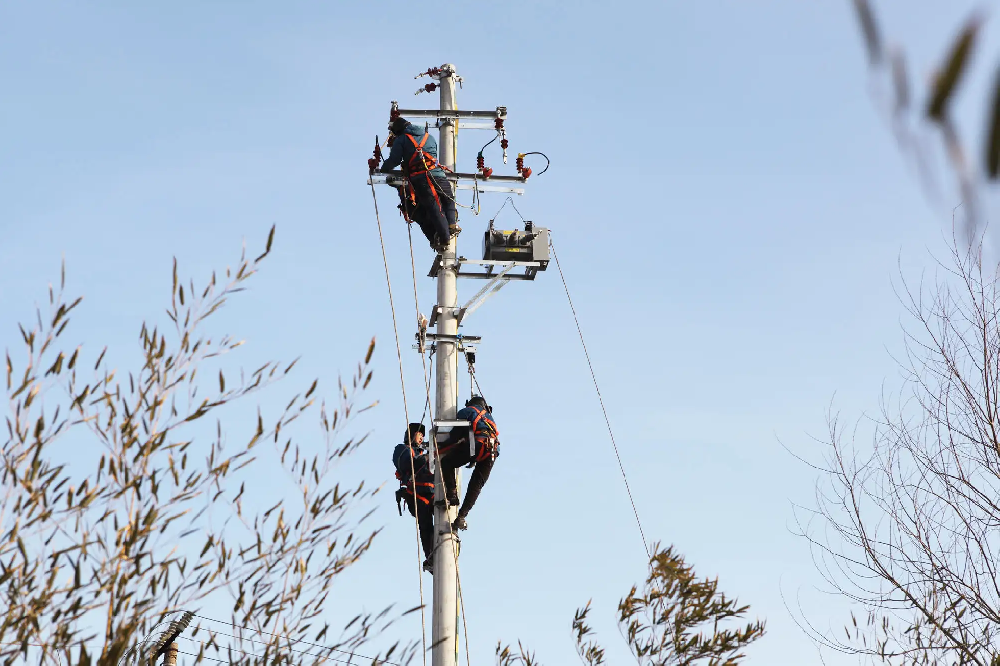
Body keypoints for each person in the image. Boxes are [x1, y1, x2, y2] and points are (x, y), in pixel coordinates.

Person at [380, 117, 460, 251]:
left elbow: (394, 160)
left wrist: (384, 170)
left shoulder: (402, 139)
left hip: (421, 177)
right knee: (448, 199)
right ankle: (452, 224)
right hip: (438, 174)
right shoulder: (429, 137)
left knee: (434, 206)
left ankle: (444, 238)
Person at [437, 396, 499, 531]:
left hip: (478, 445)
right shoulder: (490, 418)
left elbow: (455, 436)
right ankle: (461, 516)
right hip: (493, 451)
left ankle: (452, 495)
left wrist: (440, 446)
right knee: (476, 485)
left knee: (446, 462)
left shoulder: (467, 411)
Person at [393, 423, 436, 573]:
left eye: (423, 435)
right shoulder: (402, 449)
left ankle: (439, 552)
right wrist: (427, 456)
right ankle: (431, 556)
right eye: (419, 434)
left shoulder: (425, 454)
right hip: (416, 494)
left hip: (432, 493)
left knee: (441, 524)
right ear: (411, 435)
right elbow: (408, 463)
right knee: (426, 526)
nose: (422, 437)